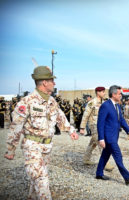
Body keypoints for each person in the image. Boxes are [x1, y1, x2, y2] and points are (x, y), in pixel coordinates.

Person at [4, 66, 79, 200]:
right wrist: (11, 149)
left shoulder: (52, 101)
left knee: (36, 180)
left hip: (47, 147)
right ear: (45, 82)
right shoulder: (26, 102)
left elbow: (60, 116)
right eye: (52, 80)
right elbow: (16, 126)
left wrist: (71, 130)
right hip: (32, 146)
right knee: (42, 180)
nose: (54, 83)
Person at [96, 85, 129, 185]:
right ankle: (127, 178)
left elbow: (121, 120)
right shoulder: (105, 105)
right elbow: (100, 123)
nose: (121, 96)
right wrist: (101, 138)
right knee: (118, 156)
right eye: (119, 94)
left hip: (114, 136)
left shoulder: (117, 105)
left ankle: (99, 173)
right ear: (113, 94)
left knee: (105, 155)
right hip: (109, 137)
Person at [79, 87, 114, 171]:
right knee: (101, 142)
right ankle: (105, 163)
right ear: (98, 92)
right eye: (102, 92)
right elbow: (86, 115)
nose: (104, 93)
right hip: (94, 125)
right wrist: (82, 127)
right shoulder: (92, 103)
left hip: (102, 125)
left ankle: (86, 159)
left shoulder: (105, 102)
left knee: (93, 143)